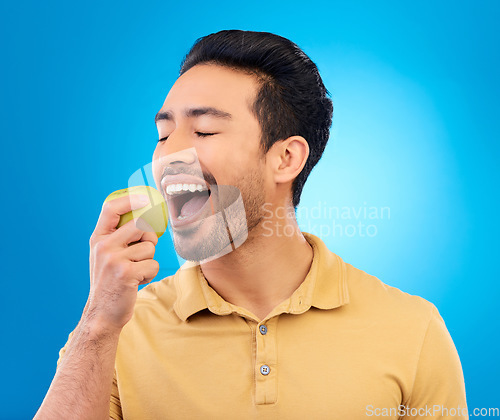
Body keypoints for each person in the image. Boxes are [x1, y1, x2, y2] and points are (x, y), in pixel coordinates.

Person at [34, 30, 468, 419]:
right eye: (164, 135)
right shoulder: (114, 333)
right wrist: (97, 325)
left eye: (203, 131)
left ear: (285, 159)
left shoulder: (413, 330)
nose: (168, 157)